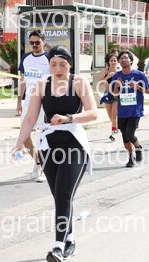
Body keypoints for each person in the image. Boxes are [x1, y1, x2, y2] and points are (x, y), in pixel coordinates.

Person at [12, 45, 97, 262]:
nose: (58, 69)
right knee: (59, 196)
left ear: (70, 64)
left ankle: (58, 246)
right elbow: (30, 117)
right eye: (53, 64)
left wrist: (69, 118)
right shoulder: (42, 85)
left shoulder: (79, 82)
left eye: (62, 64)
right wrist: (20, 141)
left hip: (74, 145)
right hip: (49, 146)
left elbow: (93, 113)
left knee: (63, 195)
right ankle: (70, 240)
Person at [17, 29, 50, 183]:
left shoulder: (49, 57)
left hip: (45, 101)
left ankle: (44, 168)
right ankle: (38, 162)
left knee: (43, 135)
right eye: (32, 43)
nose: (34, 45)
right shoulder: (26, 58)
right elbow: (22, 80)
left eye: (37, 42)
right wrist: (19, 101)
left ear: (43, 41)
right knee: (24, 136)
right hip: (29, 101)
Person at [112, 51, 149, 167]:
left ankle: (138, 147)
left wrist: (138, 87)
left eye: (125, 58)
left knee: (130, 133)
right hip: (122, 111)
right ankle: (130, 157)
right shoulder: (116, 76)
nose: (123, 60)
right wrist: (116, 86)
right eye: (121, 59)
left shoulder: (139, 75)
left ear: (131, 61)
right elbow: (115, 95)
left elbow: (148, 91)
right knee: (125, 137)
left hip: (135, 110)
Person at [99, 53, 120, 142]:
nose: (113, 62)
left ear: (117, 62)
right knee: (110, 116)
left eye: (115, 60)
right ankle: (116, 127)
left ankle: (113, 133)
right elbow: (100, 82)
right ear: (108, 62)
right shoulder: (105, 71)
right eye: (111, 60)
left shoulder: (119, 71)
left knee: (114, 115)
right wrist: (108, 76)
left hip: (116, 94)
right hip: (107, 94)